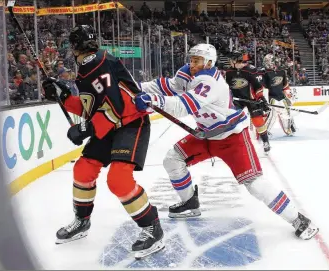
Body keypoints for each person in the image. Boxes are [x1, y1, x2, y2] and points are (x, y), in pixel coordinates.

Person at [135, 43, 319, 240]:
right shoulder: (187, 72)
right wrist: (134, 88)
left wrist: (153, 101)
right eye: (191, 59)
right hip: (206, 134)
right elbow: (167, 86)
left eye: (197, 60)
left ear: (209, 62)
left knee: (254, 183)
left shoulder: (210, 81)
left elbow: (183, 106)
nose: (192, 64)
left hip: (232, 137)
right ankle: (189, 203)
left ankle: (297, 219)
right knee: (172, 160)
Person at [42, 25, 164, 260]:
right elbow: (92, 107)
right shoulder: (90, 65)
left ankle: (153, 228)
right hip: (110, 125)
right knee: (83, 169)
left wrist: (86, 128)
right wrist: (64, 97)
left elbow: (117, 108)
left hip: (130, 123)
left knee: (119, 179)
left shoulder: (95, 62)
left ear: (75, 46)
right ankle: (82, 221)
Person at [224, 50, 271, 153]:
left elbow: (258, 87)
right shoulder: (229, 72)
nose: (230, 62)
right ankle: (233, 142)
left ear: (236, 60)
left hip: (251, 100)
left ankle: (265, 141)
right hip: (236, 100)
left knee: (257, 120)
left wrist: (260, 98)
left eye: (231, 60)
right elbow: (227, 87)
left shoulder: (250, 70)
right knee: (232, 120)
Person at [259, 54, 296, 136]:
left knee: (286, 112)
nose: (266, 63)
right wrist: (263, 98)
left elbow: (285, 85)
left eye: (267, 61)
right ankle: (265, 132)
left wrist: (289, 94)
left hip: (281, 96)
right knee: (272, 114)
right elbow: (263, 87)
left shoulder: (281, 71)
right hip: (271, 97)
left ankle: (288, 128)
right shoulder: (264, 72)